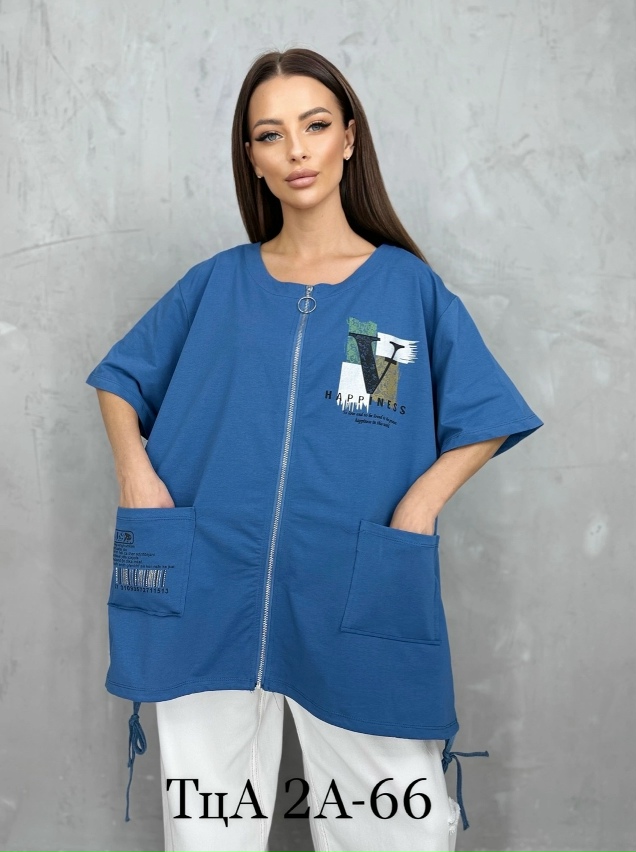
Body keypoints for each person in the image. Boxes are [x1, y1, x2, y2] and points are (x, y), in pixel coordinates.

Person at [86, 47, 544, 852]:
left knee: (397, 833)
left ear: (349, 138)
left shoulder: (402, 289)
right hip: (208, 590)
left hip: (357, 587)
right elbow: (121, 378)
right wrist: (135, 474)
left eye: (316, 125)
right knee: (207, 836)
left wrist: (421, 502)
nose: (296, 150)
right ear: (253, 159)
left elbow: (484, 411)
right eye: (271, 134)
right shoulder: (217, 283)